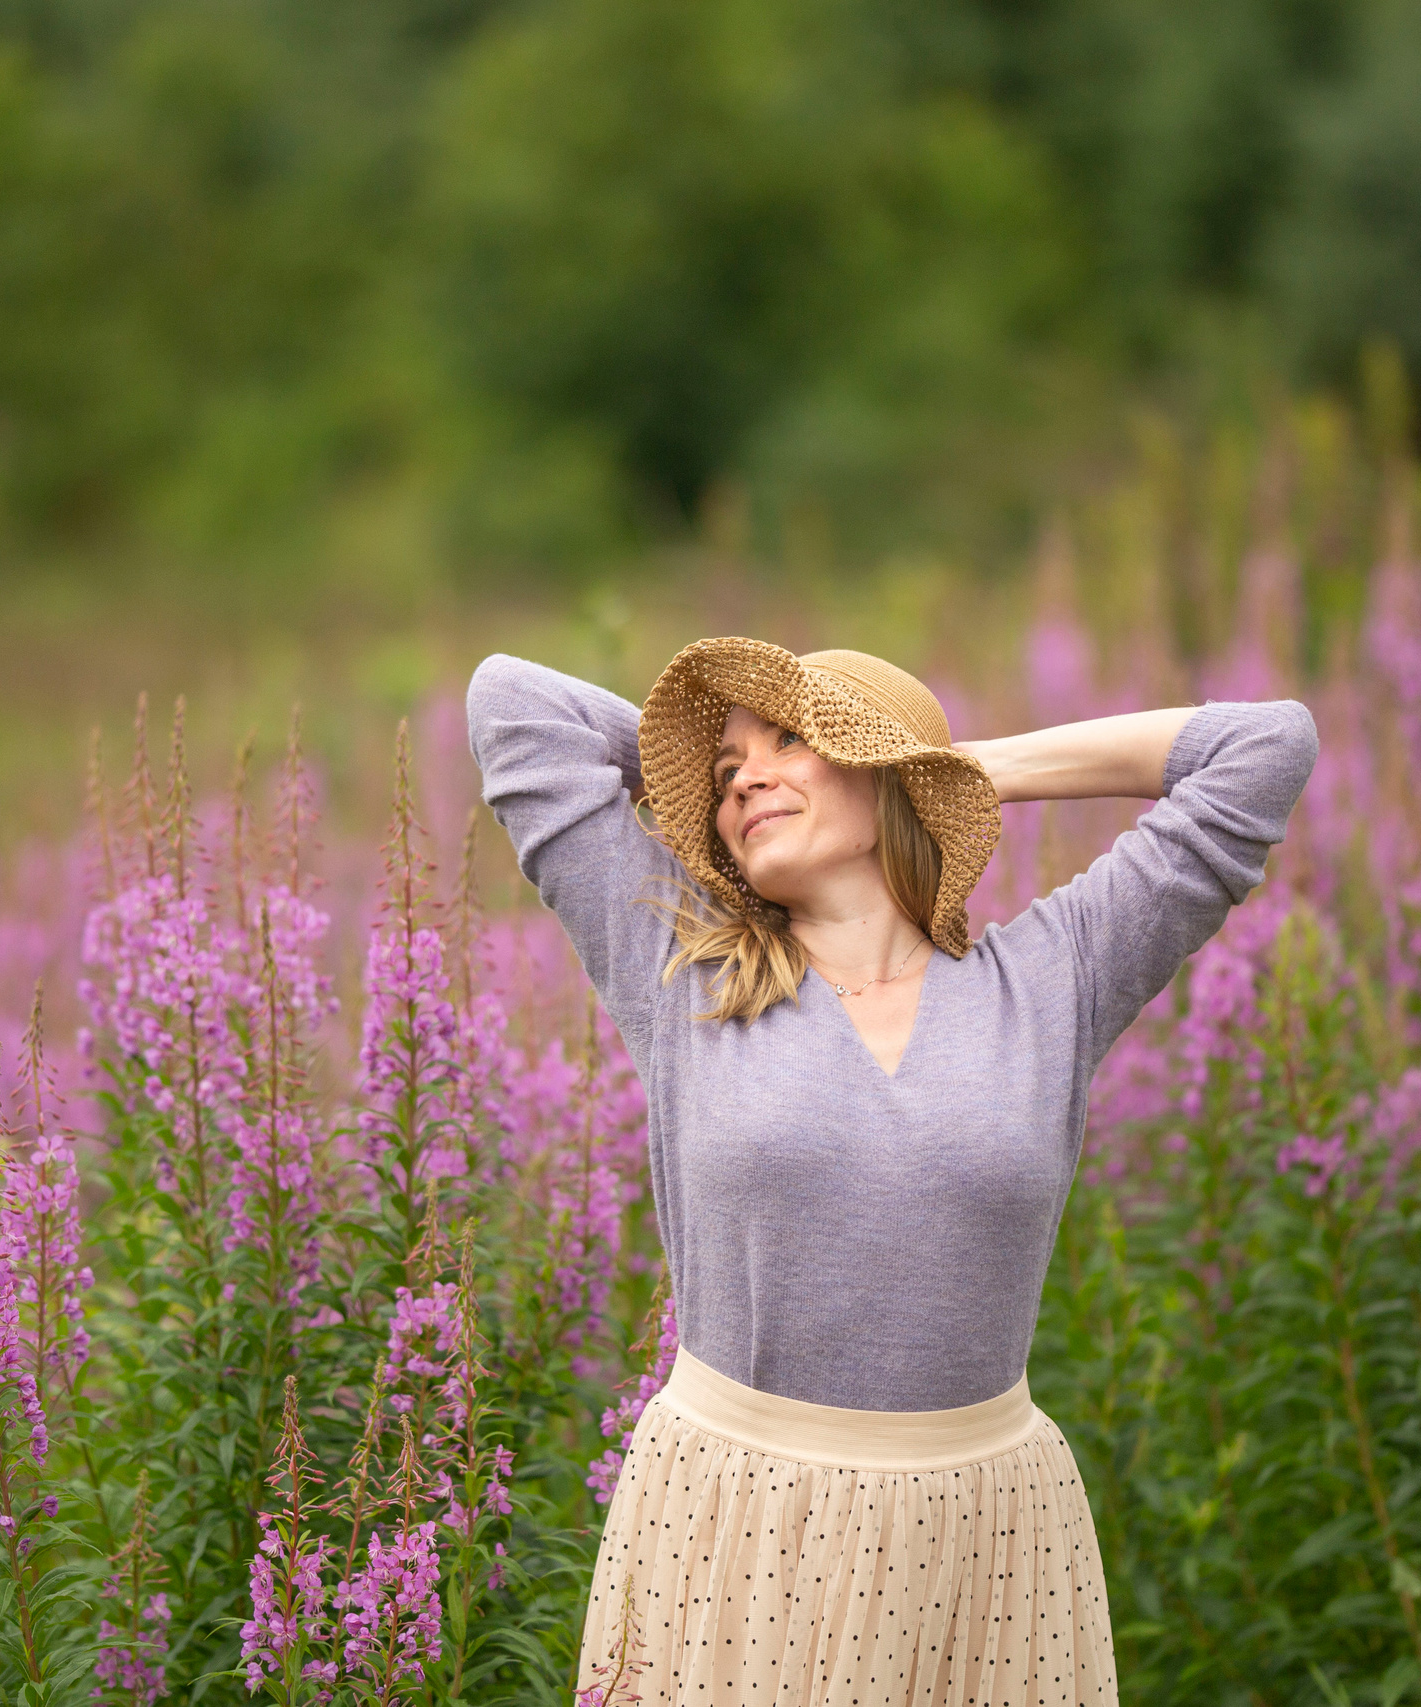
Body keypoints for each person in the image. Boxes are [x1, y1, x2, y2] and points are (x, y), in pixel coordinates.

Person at [468, 636, 1317, 1705]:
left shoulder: (1053, 979)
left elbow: (1265, 746)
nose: (745, 778)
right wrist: (700, 784)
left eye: (791, 740)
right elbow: (511, 704)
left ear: (888, 772)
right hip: (736, 1517)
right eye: (726, 772)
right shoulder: (684, 968)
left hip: (988, 1533)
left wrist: (961, 767)